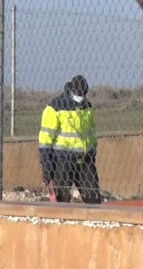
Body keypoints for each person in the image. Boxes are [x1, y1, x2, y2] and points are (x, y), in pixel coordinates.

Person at [38, 75, 101, 203]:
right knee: (62, 200)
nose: (81, 96)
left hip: (84, 160)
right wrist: (47, 167)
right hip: (63, 160)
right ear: (71, 90)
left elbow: (92, 133)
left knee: (94, 198)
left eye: (83, 93)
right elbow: (45, 141)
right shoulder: (55, 107)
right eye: (79, 93)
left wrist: (92, 153)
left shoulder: (87, 107)